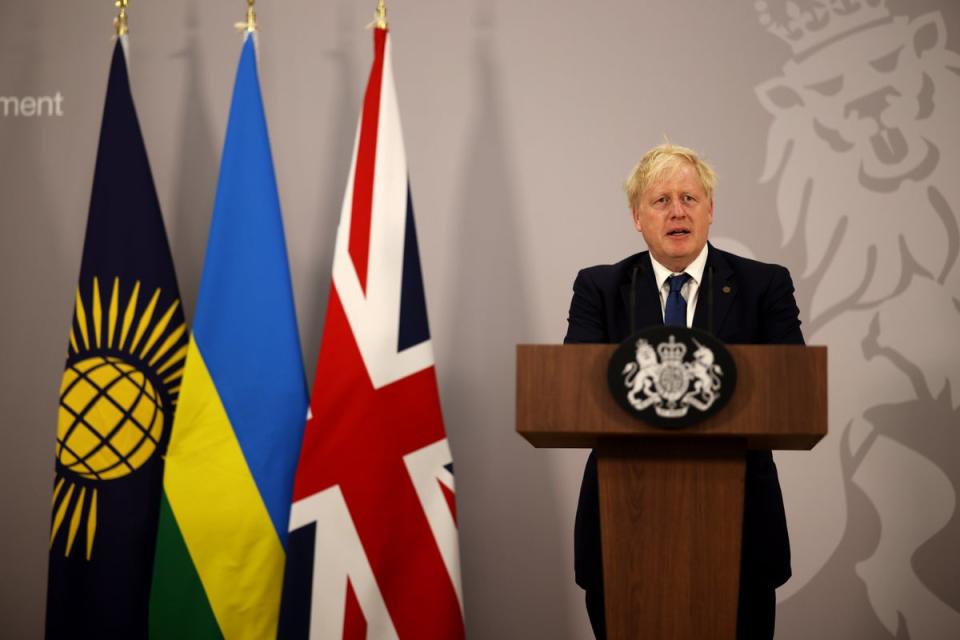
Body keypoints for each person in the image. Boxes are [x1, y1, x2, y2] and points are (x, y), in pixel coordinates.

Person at [565, 142, 803, 639]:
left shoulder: (764, 286)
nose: (678, 212)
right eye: (661, 200)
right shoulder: (600, 289)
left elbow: (791, 386)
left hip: (740, 530)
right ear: (637, 216)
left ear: (710, 210)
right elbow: (574, 388)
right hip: (622, 526)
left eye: (690, 199)